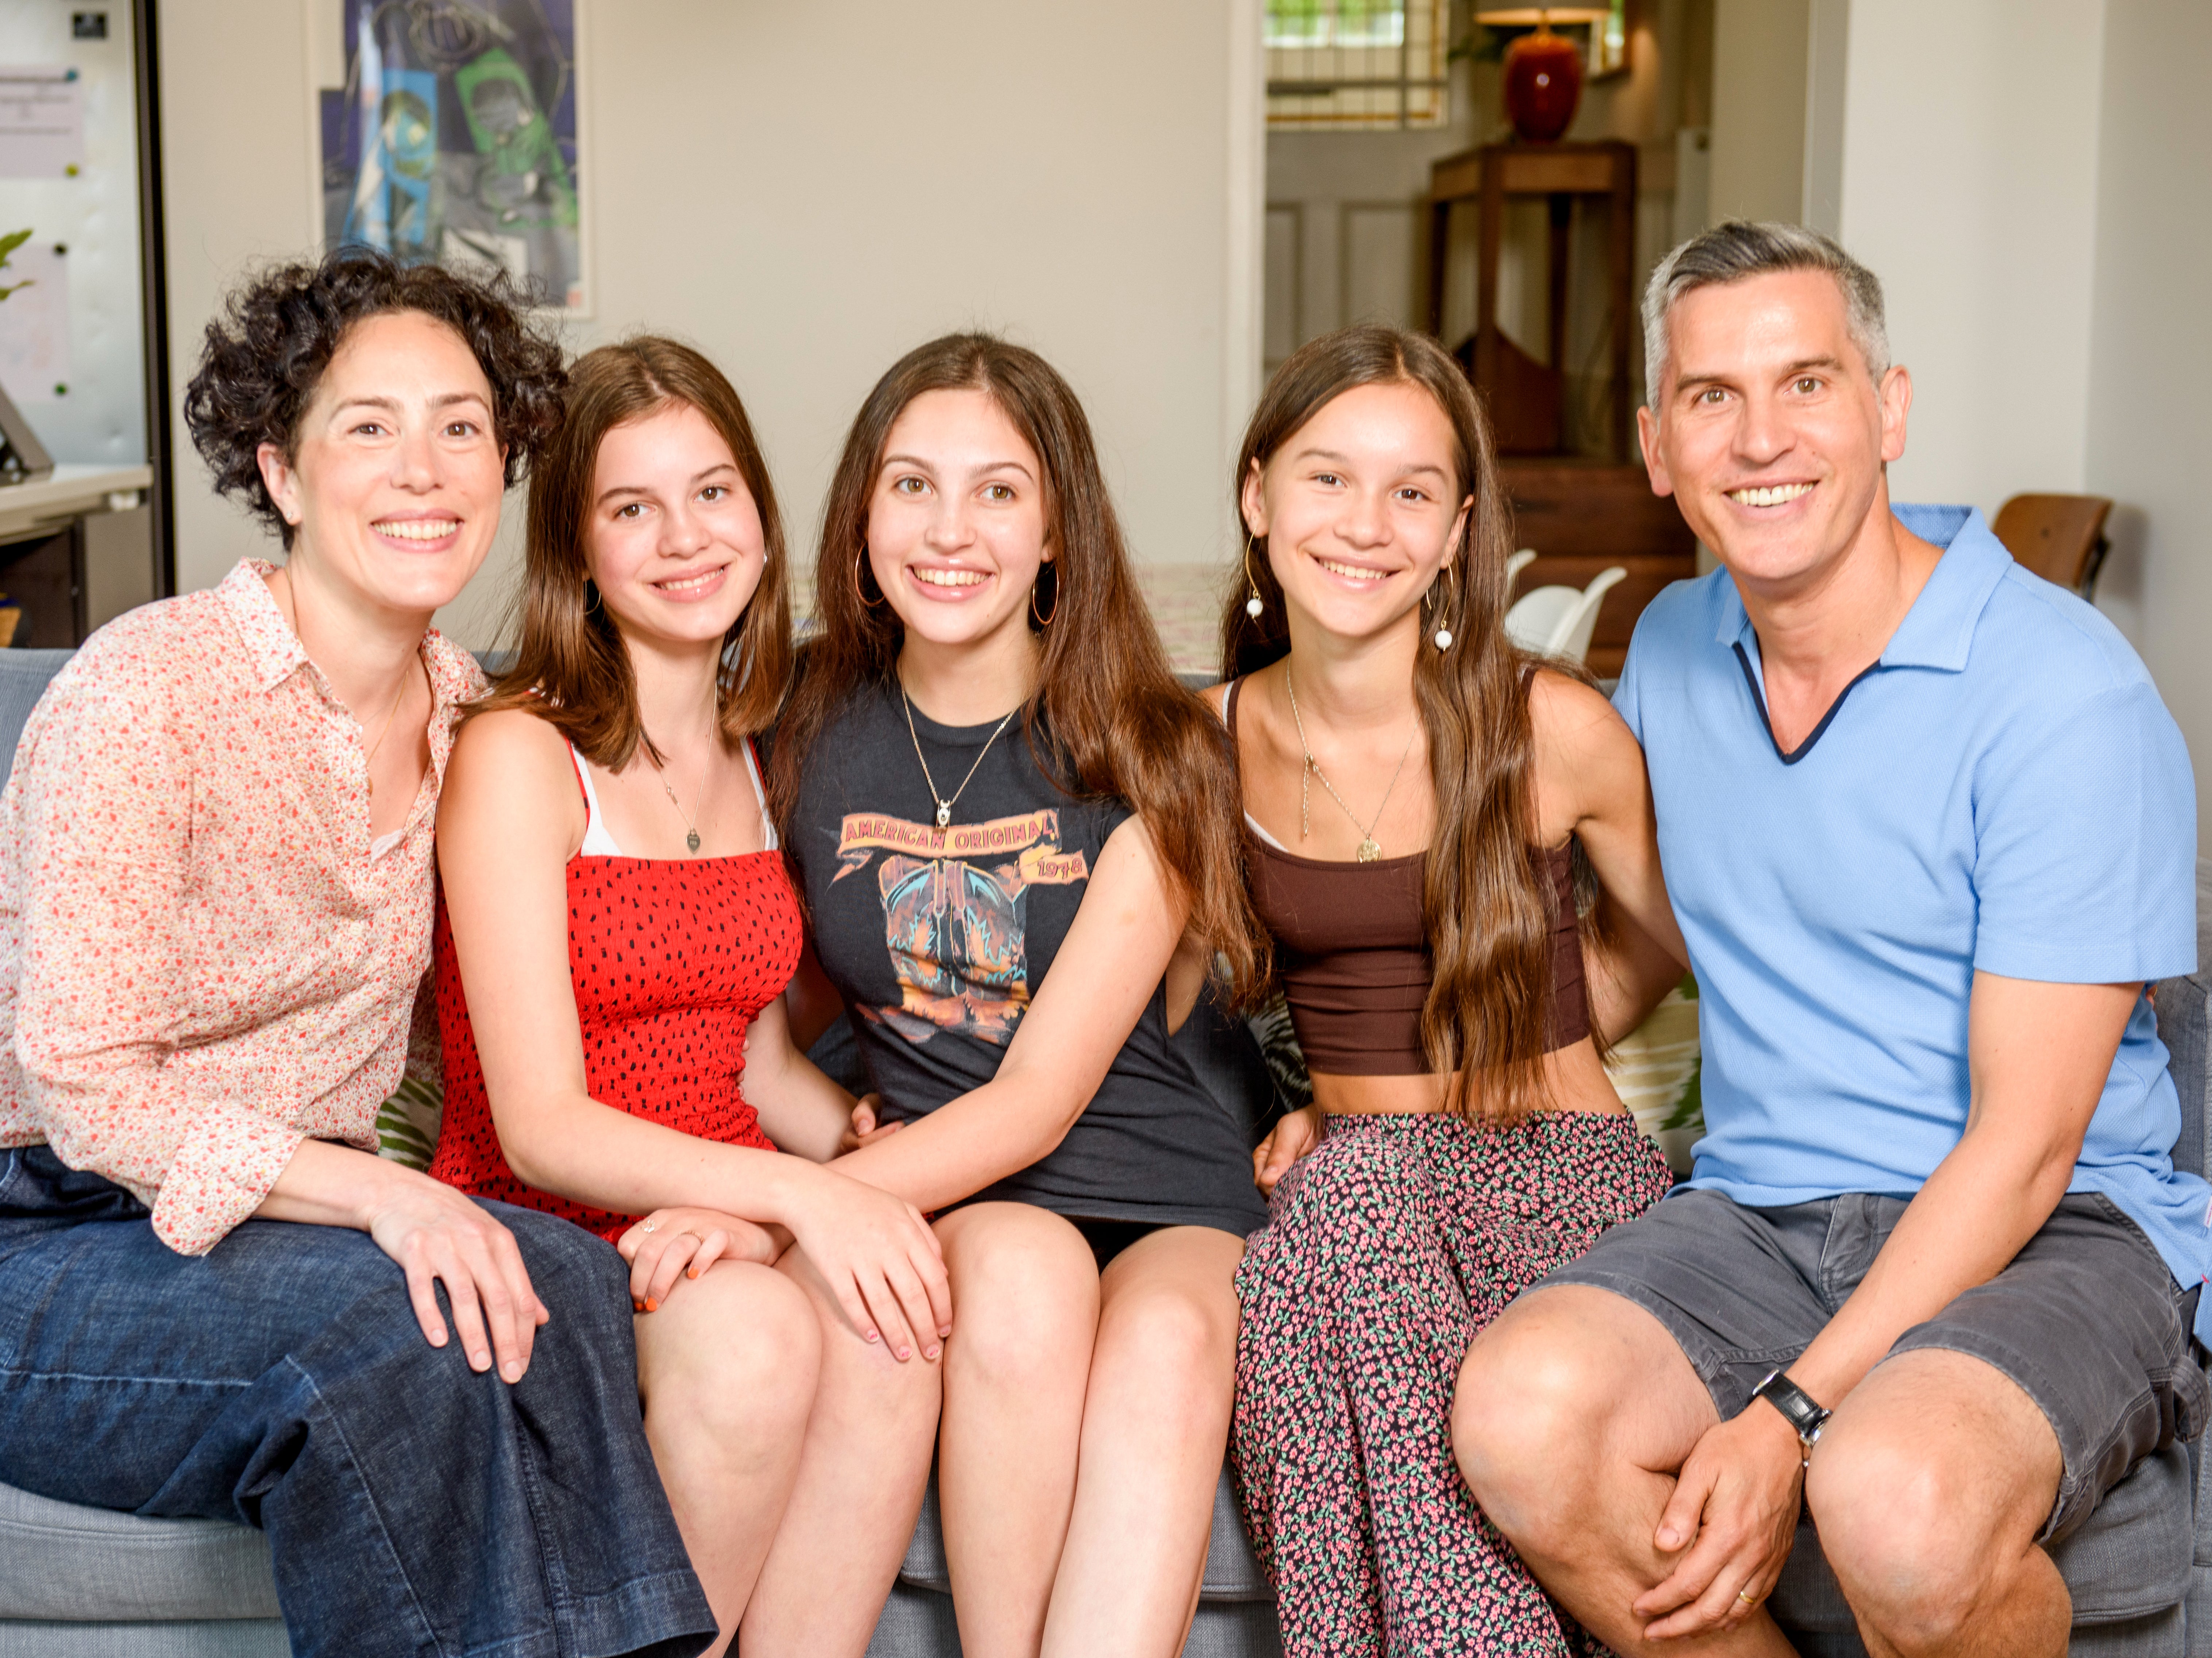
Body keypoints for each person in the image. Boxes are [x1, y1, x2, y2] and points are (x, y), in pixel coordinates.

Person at [1452, 221, 2205, 1658]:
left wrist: (1795, 1407)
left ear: (1888, 408)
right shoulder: (1672, 647)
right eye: (1710, 397)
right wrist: (1403, 1079)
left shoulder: (2060, 693)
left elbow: (2027, 1143)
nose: (1758, 439)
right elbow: (1670, 938)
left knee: (1895, 1497)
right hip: (1760, 1214)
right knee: (1519, 1410)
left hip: (2059, 1226)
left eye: (1805, 382)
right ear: (1656, 446)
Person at [0, 251, 722, 1657]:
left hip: (270, 1230)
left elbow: (565, 1000)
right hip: (43, 1232)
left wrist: (727, 1187)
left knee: (563, 1288)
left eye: (461, 427)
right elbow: (81, 1077)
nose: (424, 470)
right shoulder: (146, 693)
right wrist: (390, 1204)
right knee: (391, 1341)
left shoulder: (474, 721)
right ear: (281, 471)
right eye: (369, 428)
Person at [429, 336, 951, 1658]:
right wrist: (794, 1198)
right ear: (579, 552)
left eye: (713, 494)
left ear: (763, 526)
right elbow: (540, 1123)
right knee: (764, 1342)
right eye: (631, 507)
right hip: (558, 1214)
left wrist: (858, 1142)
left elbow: (758, 1061)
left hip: (715, 1198)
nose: (682, 538)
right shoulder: (519, 754)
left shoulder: (756, 750)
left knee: (902, 1319)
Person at [768, 332, 1269, 1657]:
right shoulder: (802, 719)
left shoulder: (1156, 743)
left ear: (1058, 531)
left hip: (1161, 1178)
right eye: (911, 485)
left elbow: (1042, 1101)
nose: (950, 530)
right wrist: (823, 1131)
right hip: (968, 1188)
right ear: (863, 514)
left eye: (998, 490)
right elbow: (769, 977)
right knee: (1022, 1279)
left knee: (1166, 1350)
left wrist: (781, 1206)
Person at [1211, 322, 1685, 1657]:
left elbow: (1664, 947)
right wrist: (1295, 1107)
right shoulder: (1211, 745)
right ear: (1258, 496)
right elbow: (1164, 1003)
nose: (1367, 524)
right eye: (1326, 478)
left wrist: (1508, 1044)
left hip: (1554, 1178)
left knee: (1334, 1207)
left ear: (1457, 525)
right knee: (1329, 1213)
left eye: (1413, 490)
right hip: (1363, 1199)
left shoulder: (1551, 728)